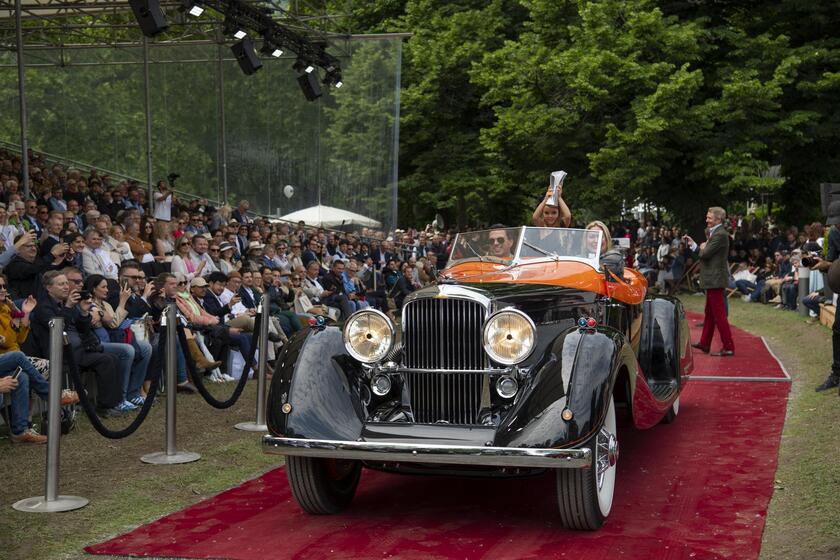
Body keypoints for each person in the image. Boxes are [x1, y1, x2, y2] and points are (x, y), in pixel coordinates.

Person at [685, 206, 735, 357]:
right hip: (713, 279)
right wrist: (697, 245)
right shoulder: (716, 233)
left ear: (718, 219)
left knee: (719, 314)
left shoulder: (720, 235)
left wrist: (695, 246)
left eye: (709, 217)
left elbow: (705, 254)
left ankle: (728, 346)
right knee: (710, 312)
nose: (706, 220)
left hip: (715, 280)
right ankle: (705, 343)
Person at [809, 200, 840, 391]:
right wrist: (821, 264)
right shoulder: (835, 233)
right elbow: (831, 261)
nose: (837, 225)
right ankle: (837, 373)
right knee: (838, 329)